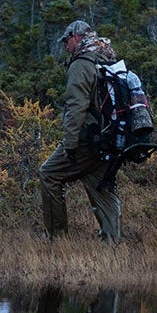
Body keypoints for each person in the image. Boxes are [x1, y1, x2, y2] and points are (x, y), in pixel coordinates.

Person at [40, 19, 123, 242]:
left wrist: (69, 145)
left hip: (88, 139)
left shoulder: (81, 64)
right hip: (109, 138)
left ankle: (57, 240)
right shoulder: (106, 58)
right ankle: (113, 243)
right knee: (100, 186)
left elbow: (76, 107)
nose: (66, 46)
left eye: (66, 41)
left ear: (75, 37)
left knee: (49, 174)